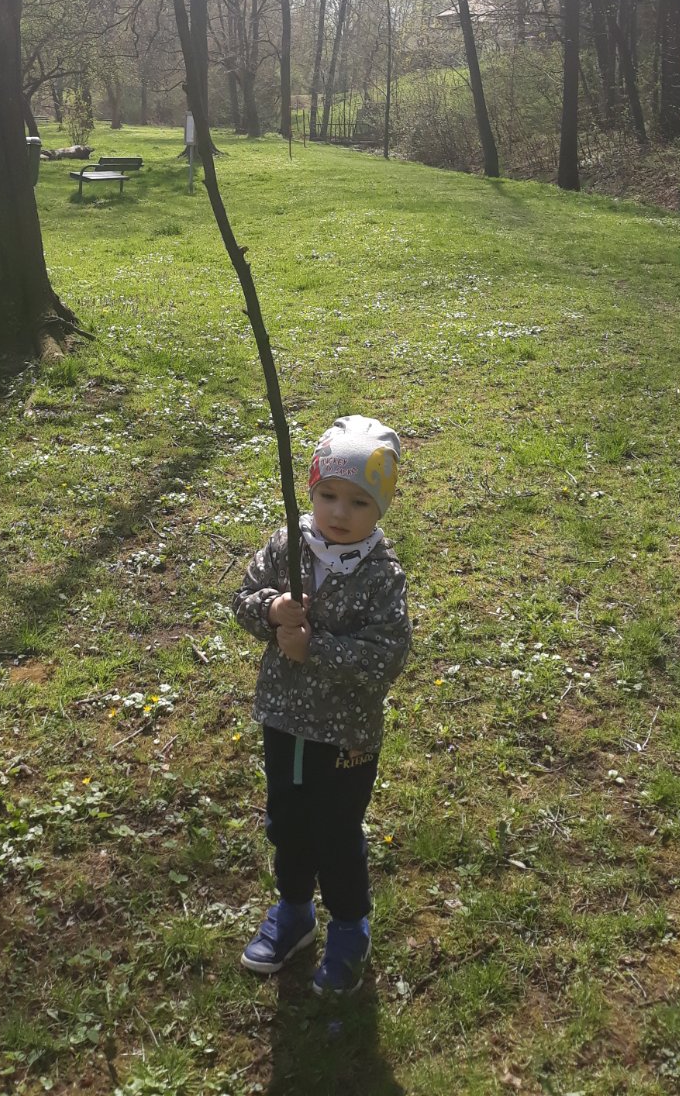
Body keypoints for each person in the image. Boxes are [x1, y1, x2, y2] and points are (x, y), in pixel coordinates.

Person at [231, 414, 411, 995]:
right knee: (287, 820)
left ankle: (351, 925)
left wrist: (316, 648)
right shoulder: (289, 545)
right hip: (284, 720)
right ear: (310, 490)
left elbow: (386, 656)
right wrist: (271, 610)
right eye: (328, 495)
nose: (339, 512)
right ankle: (294, 910)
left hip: (346, 734)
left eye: (358, 502)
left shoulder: (381, 575)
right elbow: (242, 598)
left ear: (380, 508)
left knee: (336, 829)